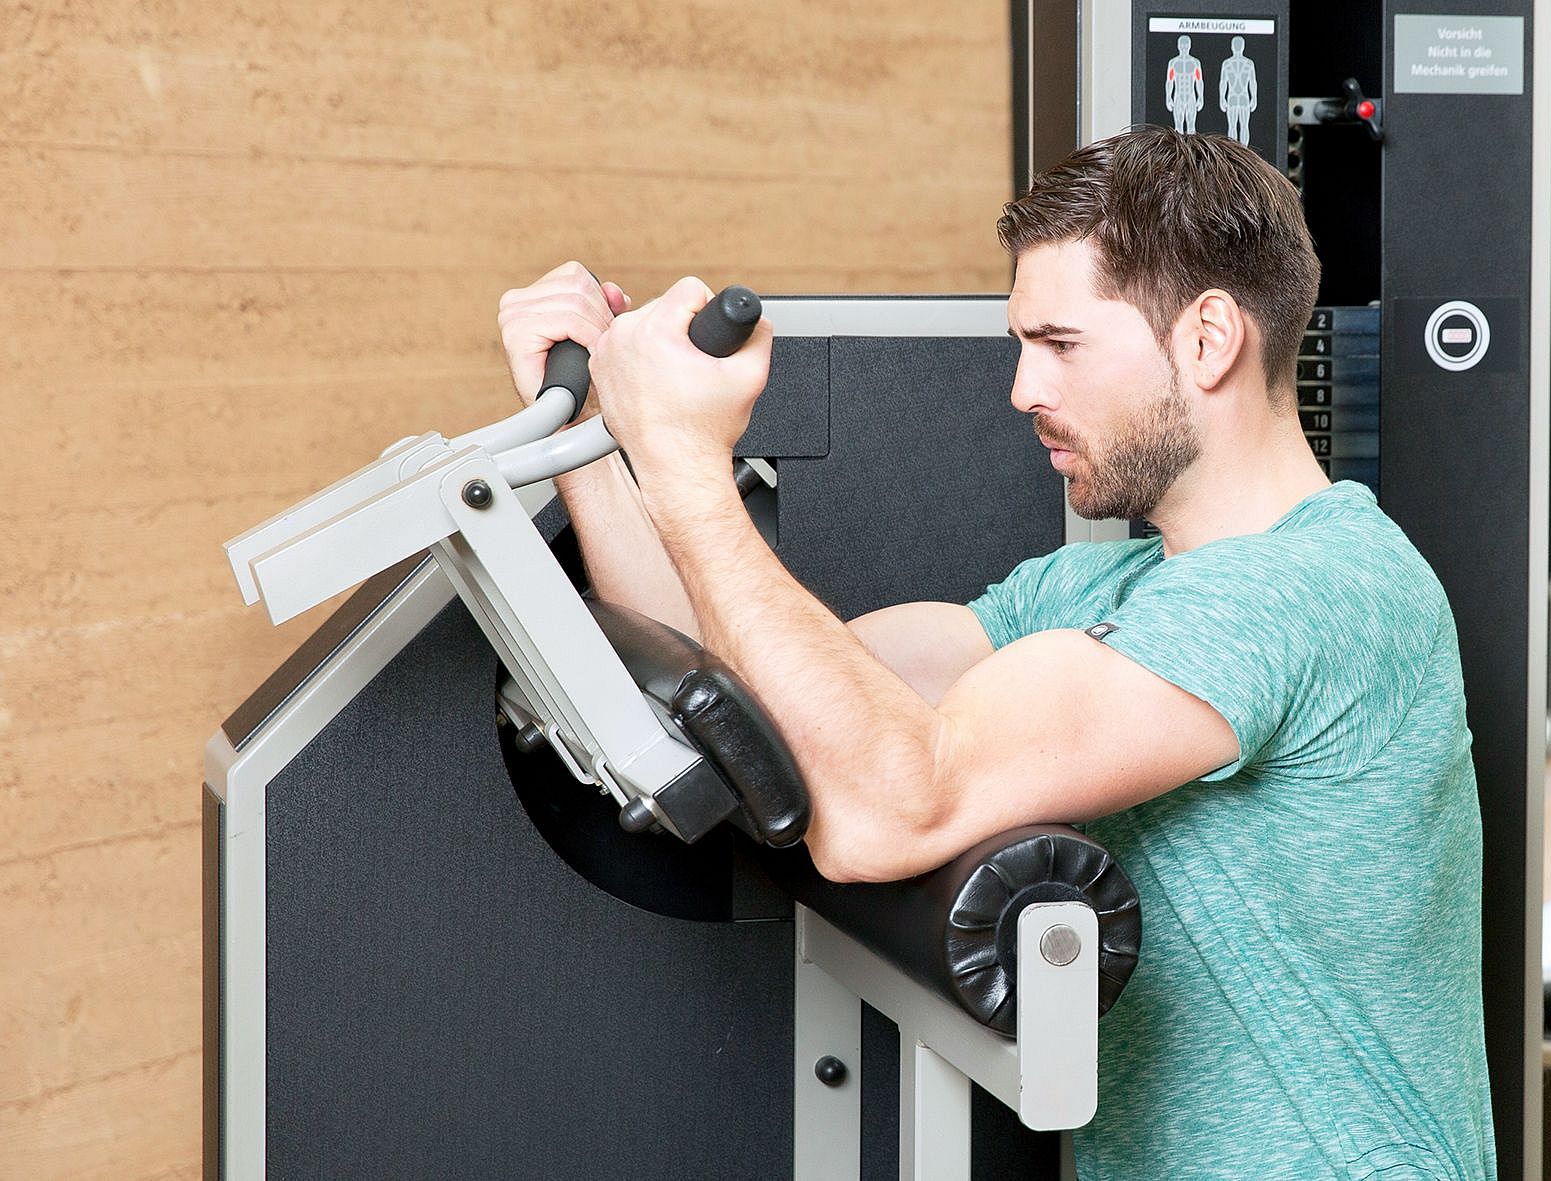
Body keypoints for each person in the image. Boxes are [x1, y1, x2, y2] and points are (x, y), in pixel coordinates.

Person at [496, 127, 1494, 1180]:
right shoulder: (1105, 589)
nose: (1020, 388)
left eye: (1058, 342)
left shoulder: (1317, 589)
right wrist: (599, 446)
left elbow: (888, 809)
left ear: (1208, 341)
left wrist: (688, 461)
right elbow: (749, 689)